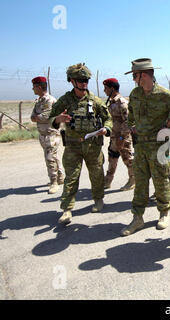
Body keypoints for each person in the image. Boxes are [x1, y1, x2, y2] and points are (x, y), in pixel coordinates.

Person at [120, 58, 170, 236]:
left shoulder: (165, 94)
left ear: (144, 75)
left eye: (135, 76)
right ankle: (137, 218)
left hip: (160, 146)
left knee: (161, 179)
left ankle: (164, 213)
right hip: (140, 145)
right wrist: (132, 125)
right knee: (140, 182)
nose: (133, 79)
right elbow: (130, 113)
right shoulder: (134, 94)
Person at [48, 63, 113, 225]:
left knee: (97, 174)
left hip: (93, 146)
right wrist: (58, 119)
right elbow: (50, 119)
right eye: (80, 80)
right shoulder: (65, 100)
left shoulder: (95, 100)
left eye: (86, 80)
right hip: (72, 146)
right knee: (71, 177)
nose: (84, 83)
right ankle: (67, 209)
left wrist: (106, 128)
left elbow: (108, 118)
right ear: (72, 81)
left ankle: (98, 200)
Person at [30, 76, 64, 194]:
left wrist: (36, 117)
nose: (33, 89)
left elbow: (44, 117)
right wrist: (36, 117)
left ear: (39, 87)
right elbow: (32, 116)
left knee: (49, 158)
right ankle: (60, 177)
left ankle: (54, 182)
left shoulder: (49, 100)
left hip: (51, 133)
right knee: (53, 157)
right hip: (43, 134)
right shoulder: (39, 100)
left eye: (34, 86)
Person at [102, 78, 135, 191]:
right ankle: (108, 180)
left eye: (106, 88)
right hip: (114, 137)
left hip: (122, 137)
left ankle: (132, 180)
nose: (104, 91)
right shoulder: (112, 102)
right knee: (112, 158)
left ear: (112, 88)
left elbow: (128, 122)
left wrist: (121, 137)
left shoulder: (122, 103)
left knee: (128, 159)